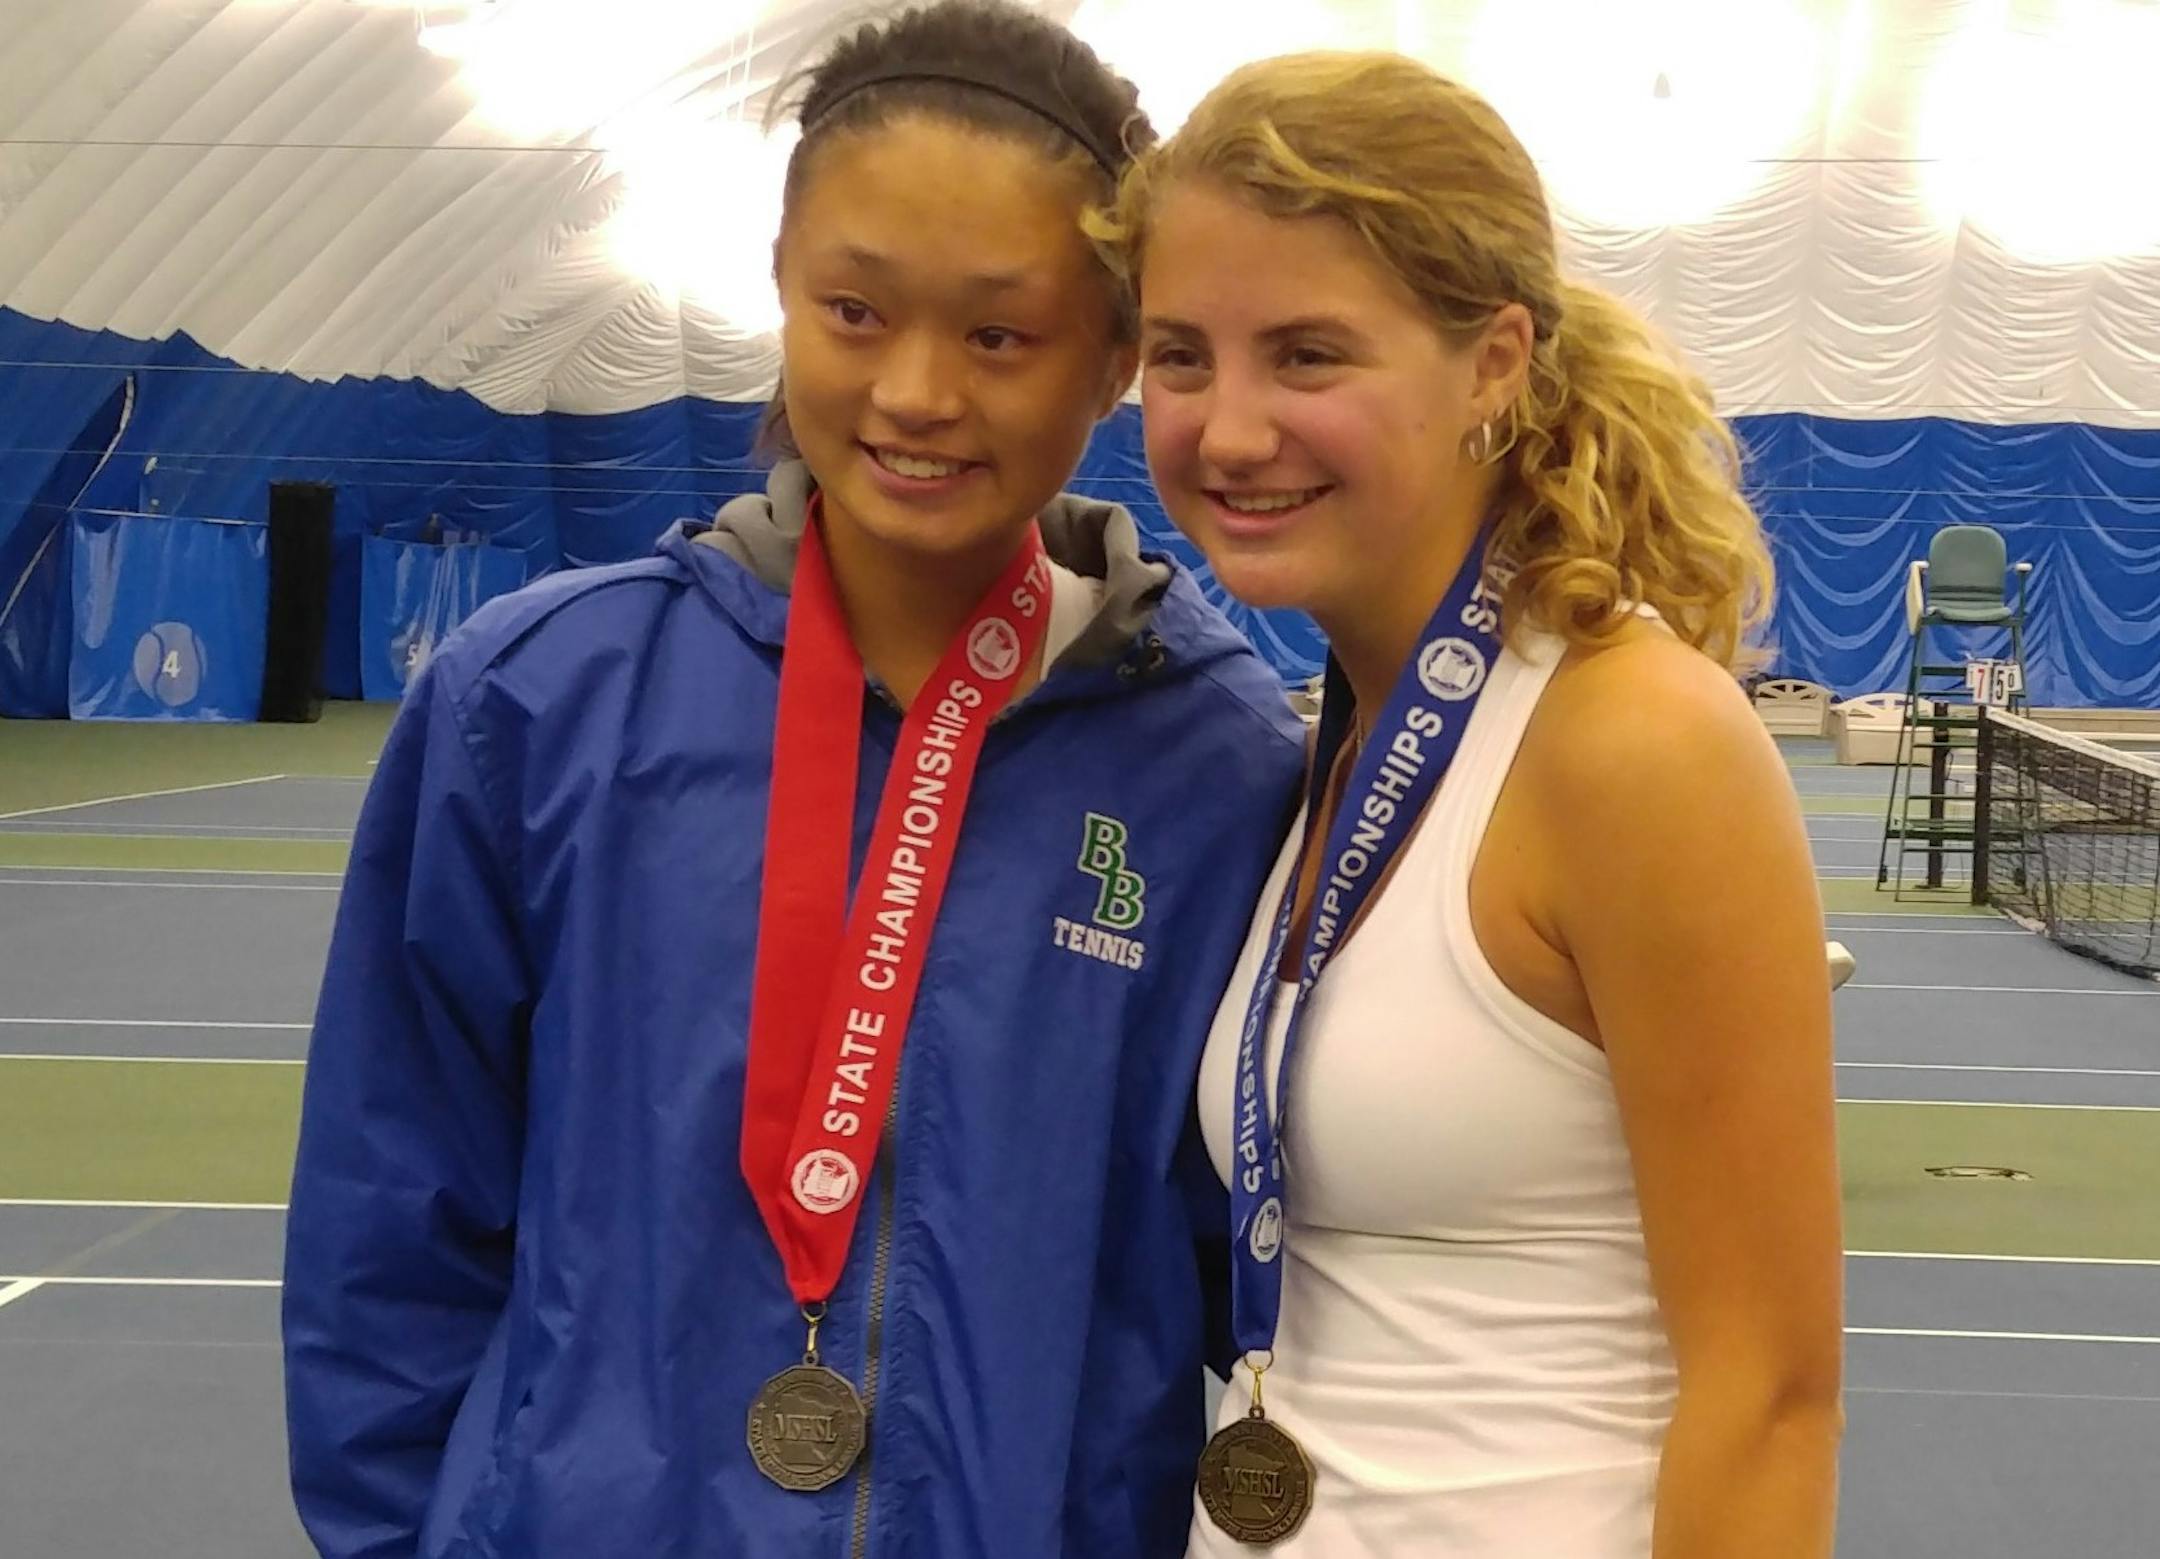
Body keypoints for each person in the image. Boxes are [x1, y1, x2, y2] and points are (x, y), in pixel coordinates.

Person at [280, 6, 1306, 1556]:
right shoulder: (537, 703)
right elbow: (389, 1223)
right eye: (852, 310)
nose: (913, 391)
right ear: (780, 291)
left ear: (1111, 361)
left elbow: (1245, 1247)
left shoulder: (1220, 765)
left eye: (1000, 334)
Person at [1091, 51, 1844, 1558]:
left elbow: (1769, 1398)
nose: (1229, 430)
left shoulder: (1631, 743)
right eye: (1181, 357)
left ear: (1494, 362)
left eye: (1307, 356)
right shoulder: (1338, 734)